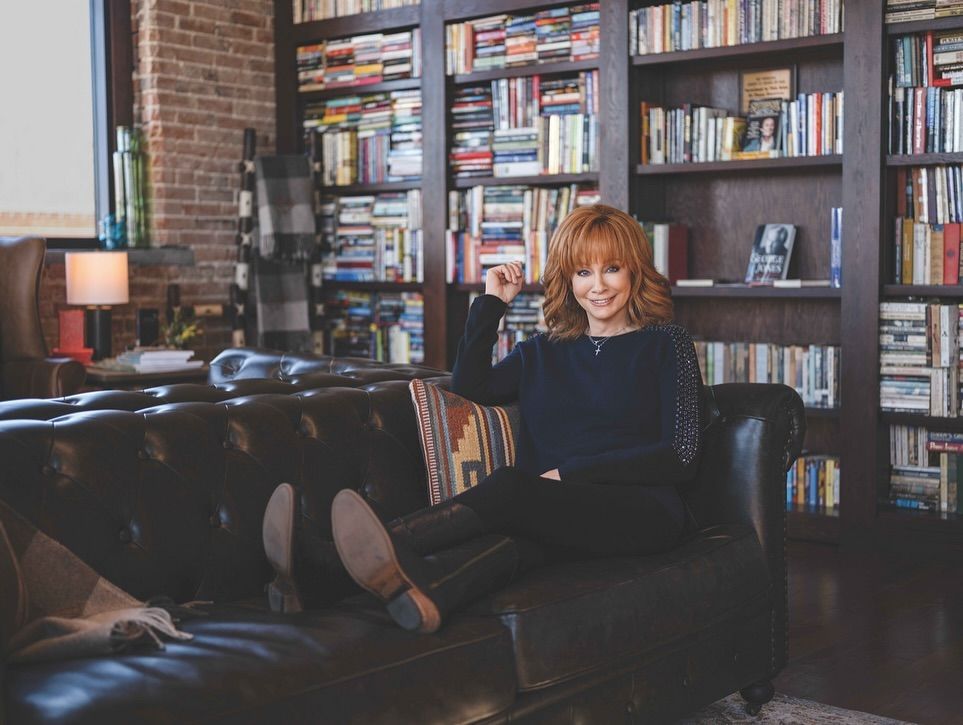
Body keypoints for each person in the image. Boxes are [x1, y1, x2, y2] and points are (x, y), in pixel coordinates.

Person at [261, 204, 704, 633]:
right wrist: (492, 302)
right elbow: (469, 388)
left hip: (642, 510)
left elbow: (680, 456)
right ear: (567, 281)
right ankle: (415, 594)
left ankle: (338, 556)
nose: (599, 286)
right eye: (583, 272)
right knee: (511, 547)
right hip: (551, 508)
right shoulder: (542, 351)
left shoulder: (667, 345)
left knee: (511, 489)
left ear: (633, 271)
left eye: (612, 268)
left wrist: (568, 474)